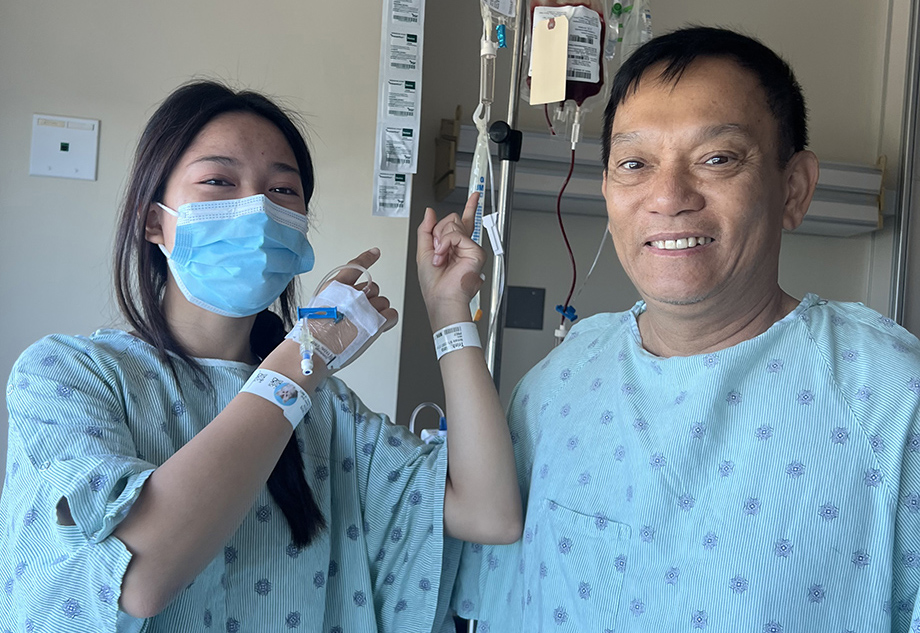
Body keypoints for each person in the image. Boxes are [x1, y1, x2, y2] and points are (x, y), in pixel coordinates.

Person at [0, 81, 521, 633]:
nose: (256, 210)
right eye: (219, 181)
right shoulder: (68, 373)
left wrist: (448, 312)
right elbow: (136, 578)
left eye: (282, 191)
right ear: (154, 221)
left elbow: (490, 513)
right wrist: (305, 352)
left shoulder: (324, 407)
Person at [450, 26, 920, 632]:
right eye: (634, 163)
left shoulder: (889, 400)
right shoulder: (556, 385)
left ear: (794, 189)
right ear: (607, 192)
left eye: (717, 159)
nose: (667, 196)